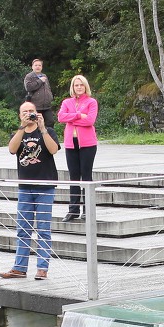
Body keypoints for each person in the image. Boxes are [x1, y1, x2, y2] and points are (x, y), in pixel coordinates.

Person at [2, 101, 59, 281]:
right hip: (25, 187)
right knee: (23, 229)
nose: (29, 114)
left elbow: (53, 149)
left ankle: (42, 268)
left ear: (38, 113)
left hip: (45, 186)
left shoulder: (48, 131)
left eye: (32, 111)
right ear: (20, 115)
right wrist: (21, 128)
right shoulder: (18, 133)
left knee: (43, 229)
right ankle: (19, 267)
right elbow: (12, 149)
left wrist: (42, 129)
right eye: (25, 112)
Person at [57, 74, 98, 221]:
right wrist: (80, 115)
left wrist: (72, 118)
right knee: (73, 177)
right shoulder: (67, 102)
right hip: (71, 143)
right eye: (76, 85)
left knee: (86, 176)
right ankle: (73, 210)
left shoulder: (91, 102)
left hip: (87, 144)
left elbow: (90, 121)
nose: (79, 87)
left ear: (85, 86)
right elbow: (61, 117)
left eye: (81, 85)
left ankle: (87, 210)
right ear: (72, 87)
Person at [24, 58, 54, 128]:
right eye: (36, 65)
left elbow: (48, 88)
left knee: (50, 122)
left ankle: (49, 137)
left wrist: (50, 96)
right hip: (35, 106)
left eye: (39, 65)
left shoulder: (44, 76)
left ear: (41, 67)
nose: (38, 67)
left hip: (47, 106)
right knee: (36, 124)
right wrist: (40, 81)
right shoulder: (29, 76)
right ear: (32, 67)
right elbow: (28, 87)